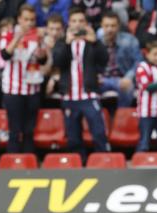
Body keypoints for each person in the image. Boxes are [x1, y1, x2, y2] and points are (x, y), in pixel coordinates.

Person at [52, 7, 109, 159]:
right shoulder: (61, 42)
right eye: (74, 21)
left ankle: (104, 161)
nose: (77, 24)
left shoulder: (92, 42)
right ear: (68, 23)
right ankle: (79, 165)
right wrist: (66, 43)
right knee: (73, 136)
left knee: (98, 131)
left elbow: (104, 60)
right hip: (69, 96)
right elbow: (57, 62)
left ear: (86, 23)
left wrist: (96, 42)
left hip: (89, 95)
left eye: (81, 21)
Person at [0, 4, 47, 153]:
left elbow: (43, 61)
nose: (29, 23)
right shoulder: (8, 35)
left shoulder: (38, 36)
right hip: (13, 89)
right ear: (19, 19)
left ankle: (29, 164)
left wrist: (41, 54)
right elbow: (5, 55)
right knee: (15, 130)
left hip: (32, 88)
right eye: (26, 19)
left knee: (29, 131)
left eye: (32, 19)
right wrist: (18, 36)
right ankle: (12, 164)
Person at [98, 10, 141, 108]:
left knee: (128, 88)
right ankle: (98, 119)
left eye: (113, 26)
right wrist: (94, 76)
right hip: (102, 79)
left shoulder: (130, 40)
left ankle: (121, 119)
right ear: (102, 26)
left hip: (122, 78)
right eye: (106, 26)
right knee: (89, 88)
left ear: (118, 26)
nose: (109, 29)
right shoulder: (96, 42)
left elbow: (138, 62)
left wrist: (129, 77)